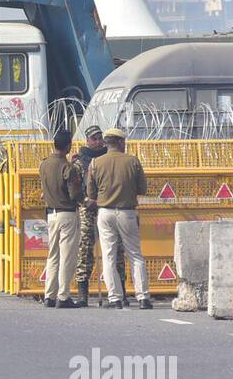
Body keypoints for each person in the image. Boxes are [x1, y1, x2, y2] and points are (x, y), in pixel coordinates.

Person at [86, 128, 151, 309]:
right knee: (135, 255)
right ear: (121, 142)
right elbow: (142, 189)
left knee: (109, 257)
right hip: (127, 212)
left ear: (106, 143)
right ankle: (143, 297)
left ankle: (114, 298)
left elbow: (90, 193)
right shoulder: (133, 161)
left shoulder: (95, 163)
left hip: (105, 212)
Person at [74, 124, 125, 306]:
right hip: (87, 208)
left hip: (107, 206)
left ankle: (121, 291)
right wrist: (87, 201)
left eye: (99, 138)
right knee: (85, 249)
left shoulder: (109, 158)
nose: (97, 142)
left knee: (116, 249)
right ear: (87, 140)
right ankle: (82, 293)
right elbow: (75, 187)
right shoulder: (79, 161)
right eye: (93, 139)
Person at [38, 130, 82, 309]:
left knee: (53, 255)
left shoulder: (44, 164)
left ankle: (49, 295)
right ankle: (63, 296)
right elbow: (74, 193)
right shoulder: (68, 168)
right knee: (67, 256)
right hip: (67, 214)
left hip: (51, 215)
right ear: (69, 146)